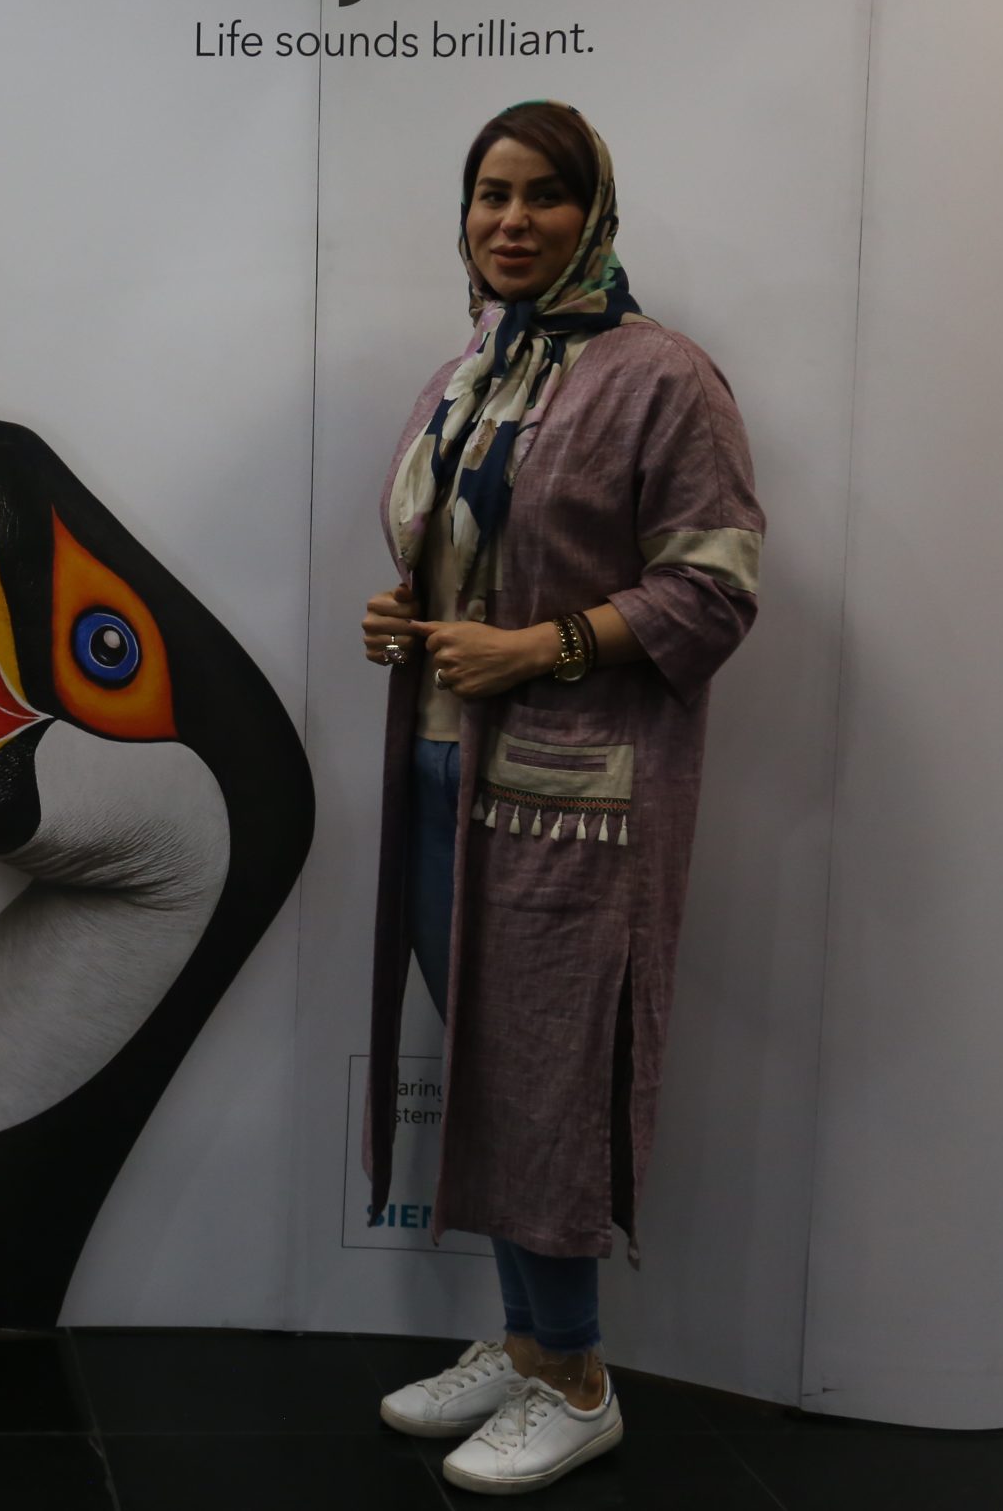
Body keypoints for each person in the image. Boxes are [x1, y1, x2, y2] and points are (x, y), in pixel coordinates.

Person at [356, 101, 762, 1495]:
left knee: (549, 1076)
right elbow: (461, 553)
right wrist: (408, 613)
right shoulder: (470, 373)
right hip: (440, 770)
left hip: (571, 798)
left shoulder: (664, 378)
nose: (511, 221)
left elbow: (716, 589)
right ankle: (527, 1345)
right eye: (490, 194)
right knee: (488, 1068)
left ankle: (580, 1380)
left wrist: (538, 648)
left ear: (595, 213)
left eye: (543, 195)